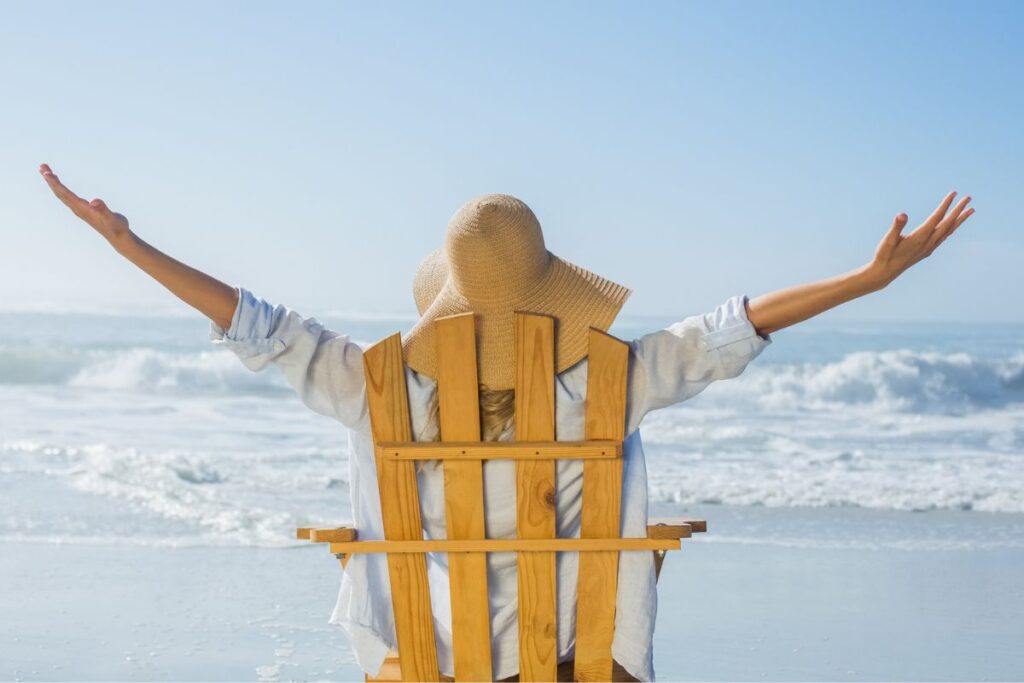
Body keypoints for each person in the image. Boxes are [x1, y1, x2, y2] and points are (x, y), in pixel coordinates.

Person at [39, 164, 974, 681]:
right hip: (575, 664)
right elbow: (737, 326)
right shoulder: (611, 378)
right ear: (551, 294)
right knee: (626, 552)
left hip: (427, 658)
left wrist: (127, 244)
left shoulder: (370, 386)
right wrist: (866, 278)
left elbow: (252, 322)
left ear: (444, 299)